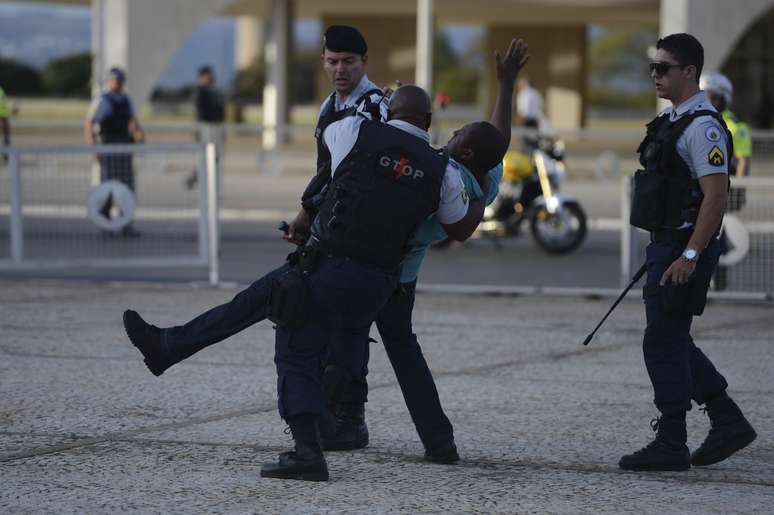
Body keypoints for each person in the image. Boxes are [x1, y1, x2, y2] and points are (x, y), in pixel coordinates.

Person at [619, 33, 756, 472]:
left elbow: (716, 197)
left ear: (690, 72)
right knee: (672, 338)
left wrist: (690, 255)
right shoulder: (676, 119)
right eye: (653, 67)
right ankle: (726, 419)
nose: (655, 75)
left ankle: (673, 441)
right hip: (669, 245)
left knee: (661, 341)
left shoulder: (703, 127)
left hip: (684, 249)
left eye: (663, 68)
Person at [700, 72, 753, 290]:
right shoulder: (700, 120)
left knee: (714, 234)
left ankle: (716, 279)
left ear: (723, 98)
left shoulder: (735, 126)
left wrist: (738, 189)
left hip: (722, 189)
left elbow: (742, 160)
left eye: (711, 96)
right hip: (700, 189)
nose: (706, 101)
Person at [84, 67, 145, 237]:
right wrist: (93, 148)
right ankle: (106, 224)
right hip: (108, 148)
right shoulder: (102, 100)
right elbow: (89, 123)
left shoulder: (126, 99)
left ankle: (127, 224)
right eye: (114, 80)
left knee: (127, 187)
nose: (117, 83)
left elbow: (133, 121)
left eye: (119, 80)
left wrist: (139, 135)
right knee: (107, 187)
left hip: (124, 148)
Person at [185, 65, 226, 190]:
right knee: (205, 159)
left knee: (214, 159)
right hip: (205, 129)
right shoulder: (200, 92)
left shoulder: (214, 92)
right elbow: (202, 113)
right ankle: (196, 181)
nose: (212, 77)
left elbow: (220, 112)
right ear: (202, 77)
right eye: (209, 75)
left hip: (215, 129)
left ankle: (208, 185)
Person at [0, 84, 10, 151]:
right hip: (4, 115)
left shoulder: (1, 89)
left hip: (4, 114)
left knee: (6, 136)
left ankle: (6, 153)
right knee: (6, 135)